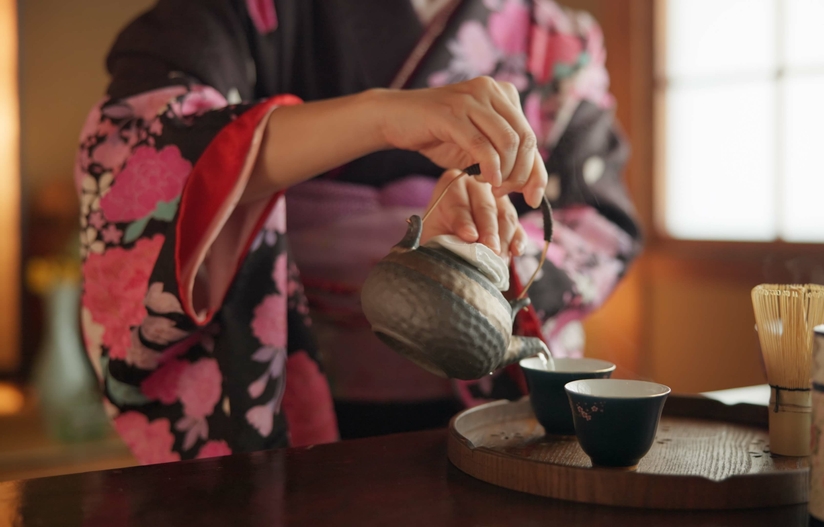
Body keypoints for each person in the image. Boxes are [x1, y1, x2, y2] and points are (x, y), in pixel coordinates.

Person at [76, 0, 640, 464]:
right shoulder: (247, 10)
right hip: (286, 396)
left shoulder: (557, 40)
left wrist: (481, 249)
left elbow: (600, 226)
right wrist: (379, 117)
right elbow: (140, 147)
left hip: (484, 396)